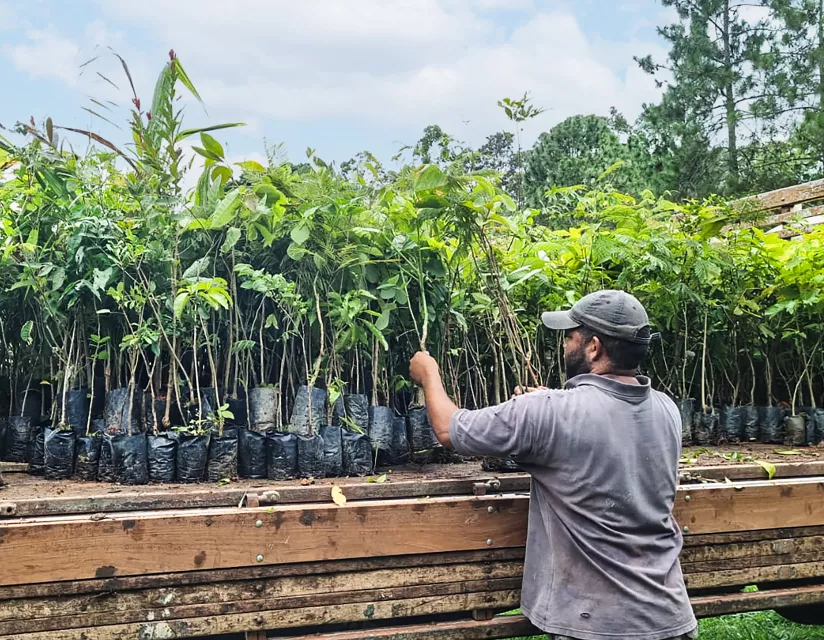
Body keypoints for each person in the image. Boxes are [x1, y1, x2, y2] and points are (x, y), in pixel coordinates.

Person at [409, 290, 698, 640]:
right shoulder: (667, 409)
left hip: (595, 626)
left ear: (593, 347)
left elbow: (449, 428)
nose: (563, 346)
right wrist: (548, 402)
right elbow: (600, 428)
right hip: (668, 616)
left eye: (569, 337)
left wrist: (429, 375)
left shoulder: (549, 411)